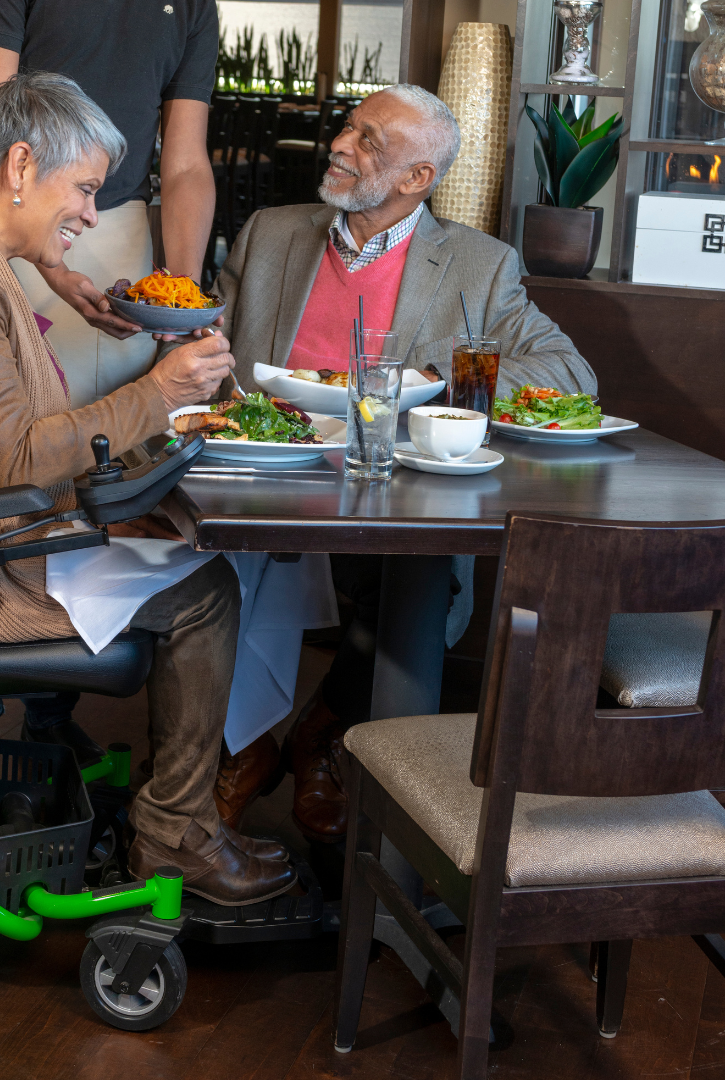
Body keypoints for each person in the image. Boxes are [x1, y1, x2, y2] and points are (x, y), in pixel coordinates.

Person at [0, 72, 294, 905]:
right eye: (82, 188)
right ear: (19, 167)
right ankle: (175, 839)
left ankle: (176, 817)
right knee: (208, 589)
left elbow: (10, 435)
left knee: (192, 554)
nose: (89, 211)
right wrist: (162, 392)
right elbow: (15, 454)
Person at [189, 84, 599, 842]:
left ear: (418, 179)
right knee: (197, 570)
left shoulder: (479, 266)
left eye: (370, 141)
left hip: (388, 486)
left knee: (414, 583)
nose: (342, 145)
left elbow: (570, 373)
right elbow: (211, 358)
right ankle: (238, 754)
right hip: (259, 471)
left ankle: (325, 734)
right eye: (349, 128)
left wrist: (436, 376)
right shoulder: (270, 233)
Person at [0, 0, 218, 408]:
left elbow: (185, 165)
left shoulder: (195, 5)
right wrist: (54, 270)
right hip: (17, 222)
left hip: (124, 237)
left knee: (124, 434)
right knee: (21, 420)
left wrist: (183, 299)